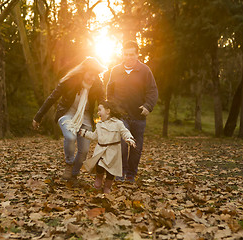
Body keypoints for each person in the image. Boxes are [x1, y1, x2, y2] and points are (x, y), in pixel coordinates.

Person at [32, 57, 107, 180]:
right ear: (83, 72)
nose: (92, 78)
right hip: (67, 113)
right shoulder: (70, 81)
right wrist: (38, 117)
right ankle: (69, 163)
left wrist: (108, 120)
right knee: (70, 136)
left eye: (95, 75)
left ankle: (74, 174)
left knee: (84, 151)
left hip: (85, 116)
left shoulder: (97, 85)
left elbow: (103, 103)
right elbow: (52, 98)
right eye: (90, 74)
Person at [107, 40, 158, 182]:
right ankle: (120, 172)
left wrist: (148, 106)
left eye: (132, 54)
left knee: (136, 147)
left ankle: (131, 174)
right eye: (126, 54)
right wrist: (111, 108)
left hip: (138, 116)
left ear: (137, 55)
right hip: (121, 116)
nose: (129, 57)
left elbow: (152, 91)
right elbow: (109, 91)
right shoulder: (115, 70)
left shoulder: (145, 70)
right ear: (122, 54)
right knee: (122, 144)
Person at [79, 101, 136, 193]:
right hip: (100, 150)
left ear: (108, 111)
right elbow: (94, 136)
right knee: (99, 165)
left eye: (100, 110)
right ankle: (98, 179)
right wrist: (84, 133)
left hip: (113, 151)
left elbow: (124, 131)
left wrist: (129, 138)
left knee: (111, 171)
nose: (98, 112)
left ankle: (107, 186)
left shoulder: (118, 123)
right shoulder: (99, 124)